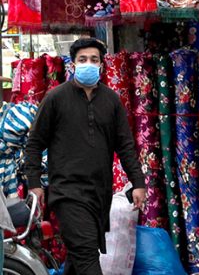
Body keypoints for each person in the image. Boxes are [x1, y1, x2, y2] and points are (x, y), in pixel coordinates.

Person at [24, 37, 146, 275]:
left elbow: (125, 146)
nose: (88, 64)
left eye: (94, 60)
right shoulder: (55, 98)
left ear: (101, 65)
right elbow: (34, 143)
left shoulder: (111, 101)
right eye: (82, 60)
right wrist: (34, 182)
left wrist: (138, 182)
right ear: (73, 65)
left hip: (99, 194)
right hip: (67, 192)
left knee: (79, 255)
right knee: (87, 254)